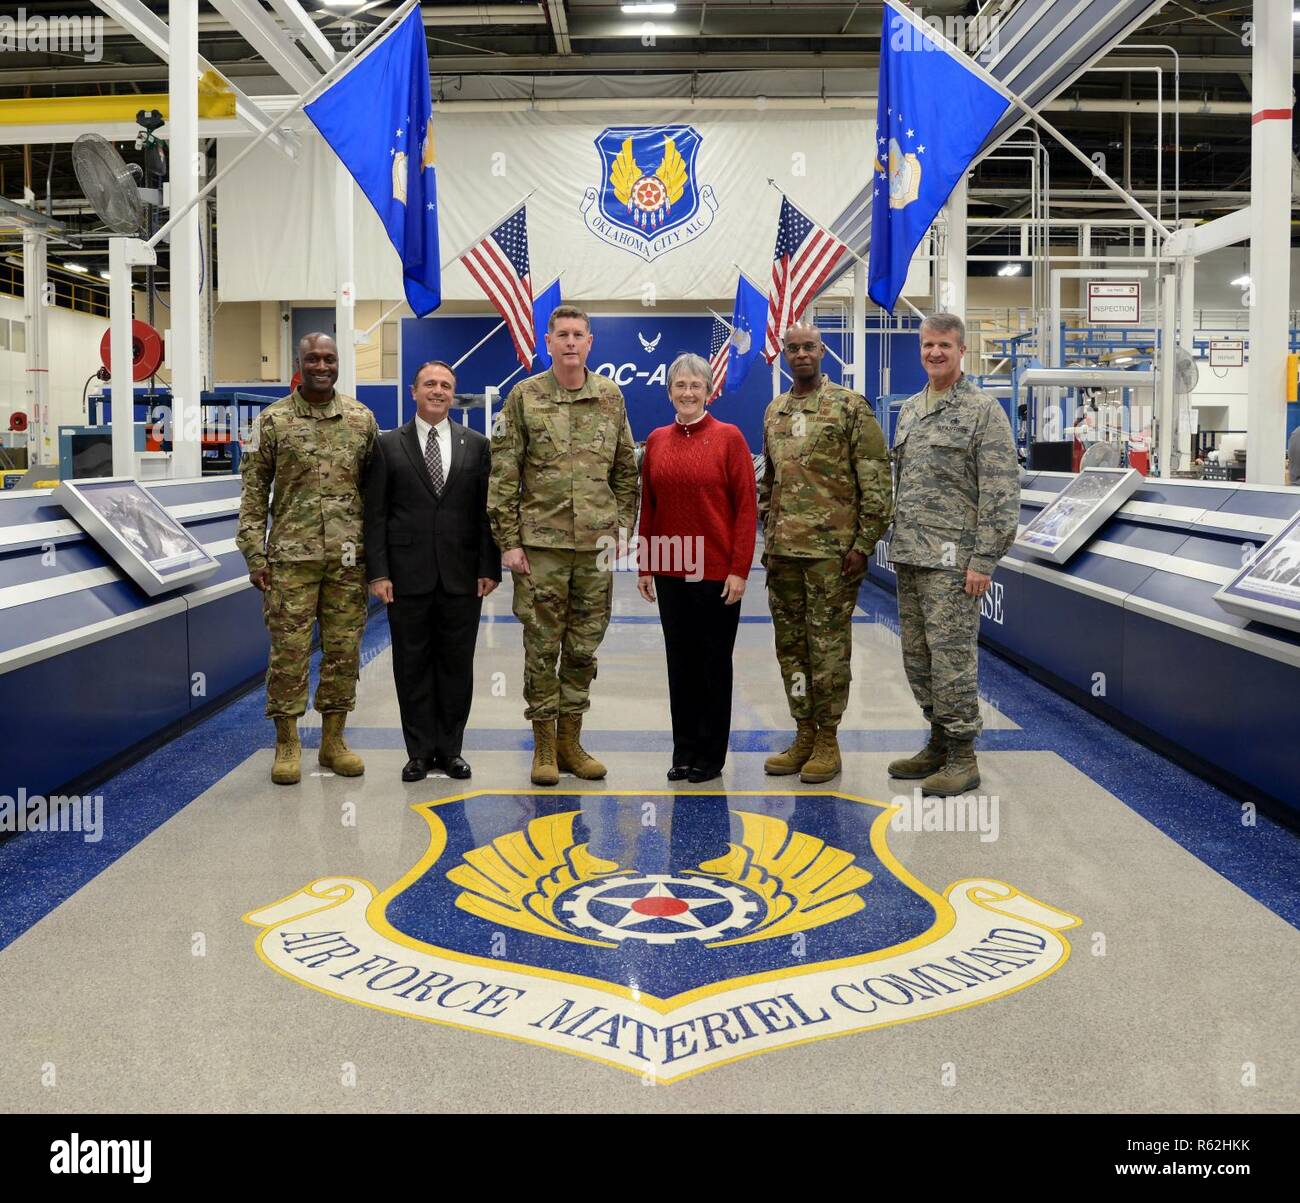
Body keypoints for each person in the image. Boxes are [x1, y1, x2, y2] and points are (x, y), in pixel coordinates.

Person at [487, 305, 639, 786]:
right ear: (547, 342)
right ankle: (544, 747)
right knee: (540, 646)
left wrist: (623, 531)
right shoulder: (524, 397)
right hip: (540, 551)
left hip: (595, 549)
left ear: (590, 343)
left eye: (579, 335)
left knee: (582, 648)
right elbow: (504, 475)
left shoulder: (610, 398)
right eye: (562, 335)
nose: (571, 342)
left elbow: (626, 472)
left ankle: (573, 742)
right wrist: (508, 543)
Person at [236, 332, 379, 786]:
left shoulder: (361, 419)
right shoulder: (272, 422)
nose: (322, 365)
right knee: (289, 654)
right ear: (299, 363)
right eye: (313, 358)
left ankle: (333, 741)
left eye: (329, 358)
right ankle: (288, 742)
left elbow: (377, 494)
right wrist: (254, 553)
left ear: (338, 363)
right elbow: (254, 494)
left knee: (343, 653)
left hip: (348, 560)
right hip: (289, 561)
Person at [887, 312, 1019, 797]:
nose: (935, 353)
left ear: (962, 350)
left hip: (954, 563)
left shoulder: (984, 411)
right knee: (917, 659)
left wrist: (984, 561)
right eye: (928, 345)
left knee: (952, 660)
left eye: (944, 345)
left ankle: (964, 756)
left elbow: (1001, 493)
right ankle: (939, 741)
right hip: (911, 556)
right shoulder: (909, 409)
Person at [759, 322, 892, 784]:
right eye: (792, 348)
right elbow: (769, 483)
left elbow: (876, 480)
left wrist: (863, 544)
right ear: (784, 354)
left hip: (832, 557)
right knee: (791, 650)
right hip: (784, 556)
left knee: (828, 650)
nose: (800, 354)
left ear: (823, 351)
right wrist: (768, 539)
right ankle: (803, 732)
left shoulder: (850, 407)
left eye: (808, 347)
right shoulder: (775, 411)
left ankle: (828, 740)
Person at [363, 360, 500, 783]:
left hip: (462, 576)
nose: (438, 391)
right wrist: (378, 572)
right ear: (413, 391)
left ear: (452, 393)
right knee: (412, 664)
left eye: (445, 385)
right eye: (430, 384)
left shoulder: (477, 445)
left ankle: (451, 750)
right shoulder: (387, 446)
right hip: (406, 577)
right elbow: (376, 515)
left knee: (456, 666)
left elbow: (486, 513)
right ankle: (419, 752)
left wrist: (488, 566)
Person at [636, 352, 757, 784]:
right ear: (669, 391)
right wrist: (646, 564)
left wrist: (739, 569)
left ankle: (710, 755)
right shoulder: (656, 440)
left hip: (716, 572)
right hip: (670, 570)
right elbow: (648, 506)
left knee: (712, 664)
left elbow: (746, 509)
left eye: (696, 386)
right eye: (680, 385)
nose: (688, 393)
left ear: (710, 391)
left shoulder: (729, 438)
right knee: (680, 663)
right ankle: (683, 749)